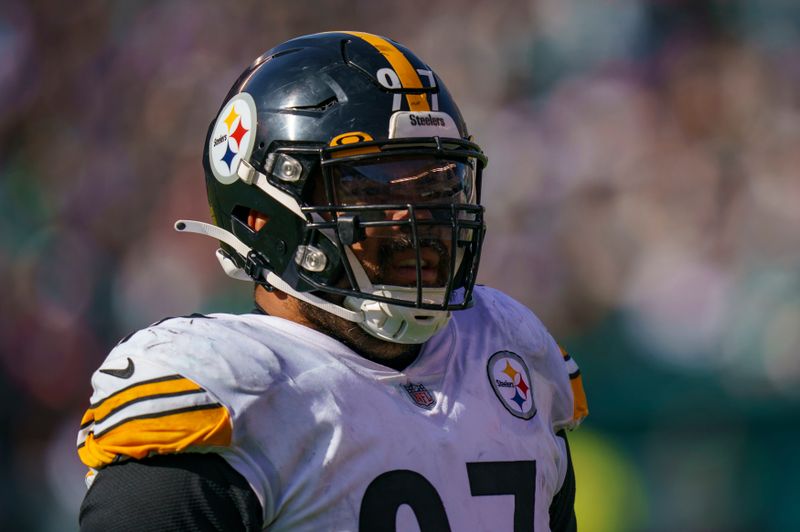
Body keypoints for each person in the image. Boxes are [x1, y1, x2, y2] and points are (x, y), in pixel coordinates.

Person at [76, 31, 588, 531]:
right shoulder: (230, 391)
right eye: (373, 189)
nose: (424, 222)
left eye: (437, 186)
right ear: (262, 214)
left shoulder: (507, 348)